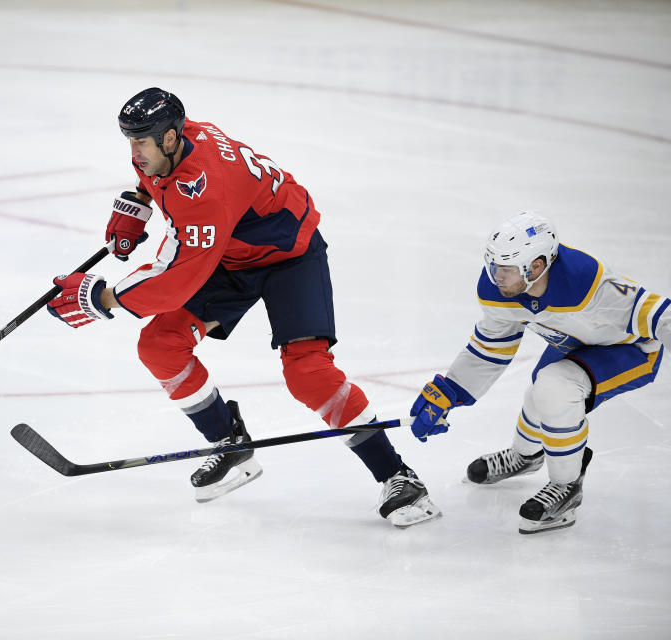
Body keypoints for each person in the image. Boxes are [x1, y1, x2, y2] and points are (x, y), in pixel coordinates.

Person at [46, 87, 441, 527]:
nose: (134, 151)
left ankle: (398, 475)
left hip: (291, 255)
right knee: (161, 345)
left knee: (308, 375)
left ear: (172, 138)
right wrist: (138, 202)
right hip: (231, 255)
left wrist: (103, 297)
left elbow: (175, 279)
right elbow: (158, 183)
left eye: (141, 141)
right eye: (130, 140)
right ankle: (230, 444)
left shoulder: (206, 191)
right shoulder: (169, 144)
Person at [410, 211, 668, 534]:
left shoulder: (583, 281)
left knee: (555, 389)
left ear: (536, 266)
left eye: (504, 269)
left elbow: (659, 315)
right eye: (493, 267)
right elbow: (491, 348)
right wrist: (450, 391)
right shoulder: (501, 289)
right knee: (541, 394)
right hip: (578, 344)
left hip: (630, 348)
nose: (495, 277)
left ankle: (567, 486)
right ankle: (526, 456)